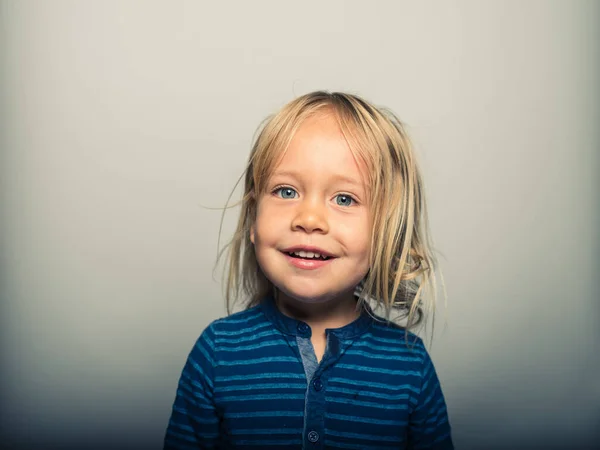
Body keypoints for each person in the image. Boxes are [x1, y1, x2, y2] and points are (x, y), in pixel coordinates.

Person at [164, 91, 453, 449]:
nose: (309, 219)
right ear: (254, 219)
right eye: (286, 192)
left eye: (344, 199)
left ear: (387, 231)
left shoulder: (409, 366)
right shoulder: (219, 352)